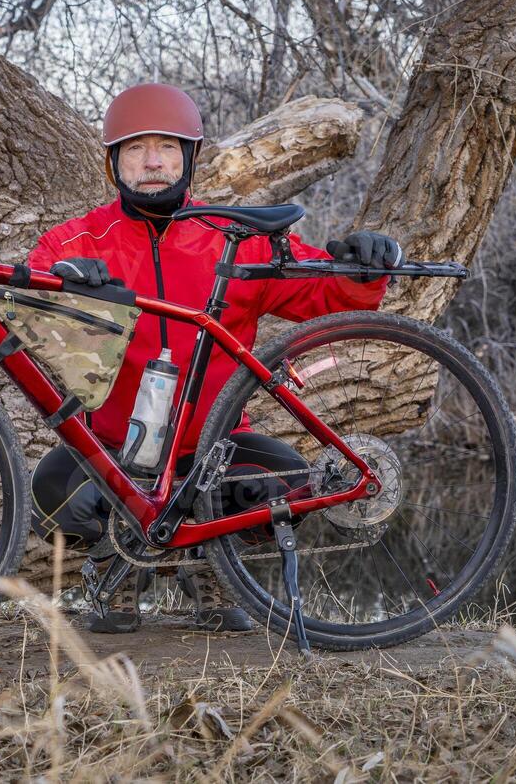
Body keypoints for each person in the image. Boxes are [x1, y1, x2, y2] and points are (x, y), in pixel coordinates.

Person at [28, 83, 402, 633]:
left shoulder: (236, 238)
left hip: (216, 448)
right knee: (55, 491)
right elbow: (34, 317)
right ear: (113, 162)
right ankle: (112, 567)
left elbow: (321, 291)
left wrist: (364, 268)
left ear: (190, 157)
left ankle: (210, 566)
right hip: (116, 448)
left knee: (286, 483)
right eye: (135, 148)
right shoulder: (76, 241)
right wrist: (65, 290)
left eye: (168, 147)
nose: (152, 162)